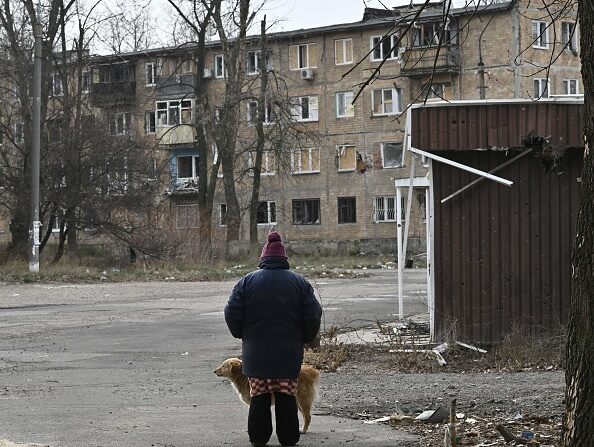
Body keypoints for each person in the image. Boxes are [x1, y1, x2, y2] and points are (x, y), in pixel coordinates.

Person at [224, 231, 322, 447]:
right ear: (283, 258)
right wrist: (304, 338)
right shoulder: (299, 283)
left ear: (264, 257)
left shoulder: (247, 281)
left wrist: (242, 333)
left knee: (259, 395)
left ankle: (258, 438)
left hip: (256, 353)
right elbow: (314, 314)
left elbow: (231, 311)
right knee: (286, 394)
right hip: (288, 354)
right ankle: (288, 438)